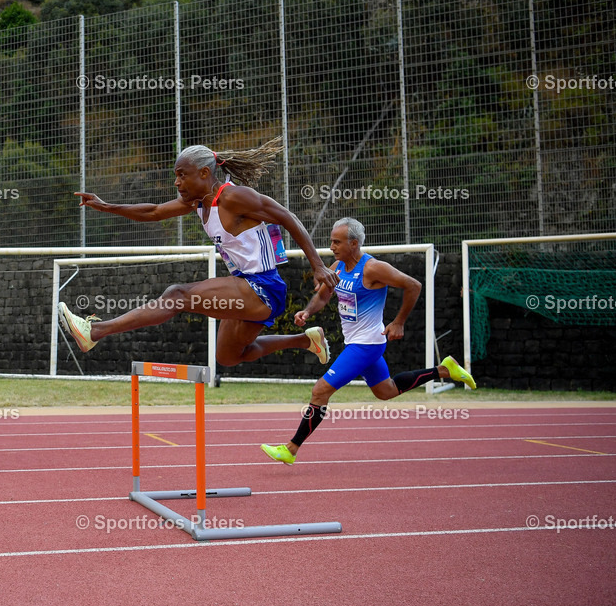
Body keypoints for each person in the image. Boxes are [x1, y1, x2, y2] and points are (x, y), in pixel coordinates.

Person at [58, 139, 339, 369]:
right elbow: (154, 212)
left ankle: (95, 331)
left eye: (182, 175)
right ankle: (306, 340)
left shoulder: (234, 197)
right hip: (245, 288)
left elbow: (288, 217)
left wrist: (317, 266)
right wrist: (107, 206)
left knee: (177, 294)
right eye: (175, 176)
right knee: (228, 357)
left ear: (204, 173)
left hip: (262, 287)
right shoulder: (199, 203)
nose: (177, 184)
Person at [260, 217, 476, 465]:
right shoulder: (339, 266)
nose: (331, 246)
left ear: (354, 243)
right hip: (357, 341)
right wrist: (308, 311)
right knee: (386, 391)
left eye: (337, 242)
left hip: (367, 344)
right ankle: (444, 370)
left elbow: (413, 285)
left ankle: (291, 448)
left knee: (320, 390)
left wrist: (398, 322)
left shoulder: (373, 268)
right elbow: (324, 294)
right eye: (331, 241)